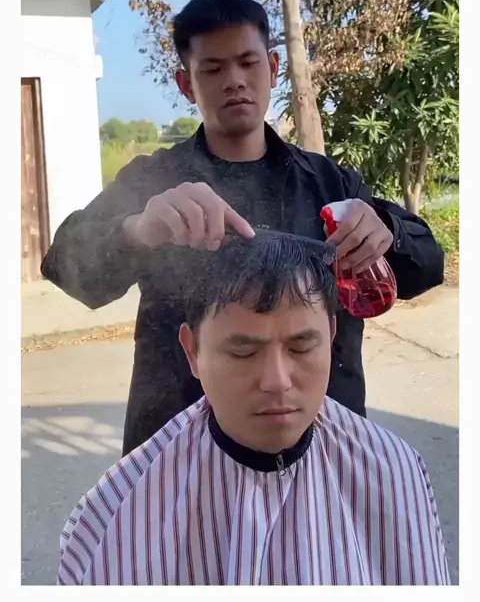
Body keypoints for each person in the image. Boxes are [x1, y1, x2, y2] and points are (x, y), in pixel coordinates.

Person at [41, 0, 444, 456]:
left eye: (248, 63)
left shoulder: (331, 185)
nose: (234, 81)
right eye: (212, 69)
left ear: (273, 67)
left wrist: (386, 231)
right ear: (186, 83)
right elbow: (63, 264)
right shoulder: (151, 181)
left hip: (321, 448)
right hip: (180, 452)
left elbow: (427, 264)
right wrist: (138, 229)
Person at [57, 232, 450, 586]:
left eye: (301, 346)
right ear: (192, 351)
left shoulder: (394, 470)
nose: (276, 381)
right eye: (243, 351)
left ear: (330, 337)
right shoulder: (113, 513)